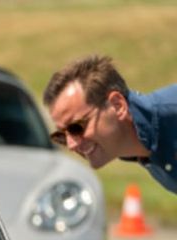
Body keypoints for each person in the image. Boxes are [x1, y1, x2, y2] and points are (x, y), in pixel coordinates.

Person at [43, 54, 177, 194]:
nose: (71, 145)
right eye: (61, 136)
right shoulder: (139, 150)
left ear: (118, 105)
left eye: (76, 127)